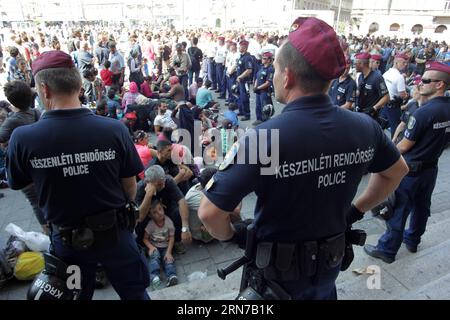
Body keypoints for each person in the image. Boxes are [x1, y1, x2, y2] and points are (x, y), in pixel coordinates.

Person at [198, 17, 409, 300]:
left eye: (273, 69)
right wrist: (355, 211)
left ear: (287, 76)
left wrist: (236, 236)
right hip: (326, 274)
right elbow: (396, 171)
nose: (272, 76)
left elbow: (210, 214)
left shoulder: (265, 138)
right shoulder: (364, 127)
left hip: (274, 283)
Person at [5, 50, 150, 300]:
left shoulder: (22, 139)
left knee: (74, 296)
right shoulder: (114, 129)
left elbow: (22, 184)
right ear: (79, 84)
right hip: (116, 236)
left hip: (68, 243)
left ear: (44, 89)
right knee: (135, 294)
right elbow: (130, 187)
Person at [364, 61, 450, 263]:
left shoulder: (423, 113)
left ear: (440, 85)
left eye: (426, 80)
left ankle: (387, 249)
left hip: (410, 171)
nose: (420, 83)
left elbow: (403, 146)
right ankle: (412, 240)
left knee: (399, 209)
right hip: (431, 168)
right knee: (422, 207)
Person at [136, 165, 192, 255]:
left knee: (178, 213)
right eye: (158, 184)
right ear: (148, 183)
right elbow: (140, 217)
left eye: (163, 182)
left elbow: (182, 201)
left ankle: (177, 240)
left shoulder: (167, 181)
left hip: (166, 209)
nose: (163, 185)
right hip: (149, 215)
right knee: (139, 224)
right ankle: (143, 245)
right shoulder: (139, 188)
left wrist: (185, 228)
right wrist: (148, 195)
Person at [143, 198, 178, 289]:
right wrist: (150, 247)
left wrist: (169, 252)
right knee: (154, 258)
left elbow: (171, 237)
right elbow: (145, 239)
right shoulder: (150, 225)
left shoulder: (168, 222)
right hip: (154, 246)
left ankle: (171, 276)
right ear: (150, 215)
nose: (159, 213)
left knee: (168, 260)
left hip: (166, 246)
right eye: (155, 212)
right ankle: (154, 276)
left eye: (160, 209)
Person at [355, 52, 390, 121]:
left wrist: (374, 108)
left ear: (362, 64)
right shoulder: (360, 76)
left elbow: (386, 97)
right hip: (360, 112)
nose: (354, 66)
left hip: (370, 116)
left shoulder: (377, 77)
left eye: (356, 63)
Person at [382, 53, 409, 138]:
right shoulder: (399, 77)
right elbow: (403, 95)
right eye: (403, 62)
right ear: (396, 62)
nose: (405, 65)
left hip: (384, 103)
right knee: (396, 130)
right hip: (393, 106)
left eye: (406, 63)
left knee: (381, 125)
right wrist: (407, 95)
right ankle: (393, 148)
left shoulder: (387, 72)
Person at [253, 51, 274, 126]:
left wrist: (258, 88)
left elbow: (268, 82)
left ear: (269, 60)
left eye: (265, 58)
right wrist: (255, 86)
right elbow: (257, 78)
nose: (262, 59)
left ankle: (266, 122)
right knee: (258, 106)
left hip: (264, 91)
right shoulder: (261, 67)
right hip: (259, 91)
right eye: (262, 58)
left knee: (265, 107)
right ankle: (259, 119)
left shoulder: (270, 69)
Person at [236, 40, 254, 121]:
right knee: (239, 97)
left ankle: (247, 114)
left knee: (244, 98)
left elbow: (249, 70)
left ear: (245, 48)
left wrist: (240, 76)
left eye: (241, 46)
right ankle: (242, 111)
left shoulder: (247, 57)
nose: (239, 48)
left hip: (244, 81)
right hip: (240, 81)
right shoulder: (241, 57)